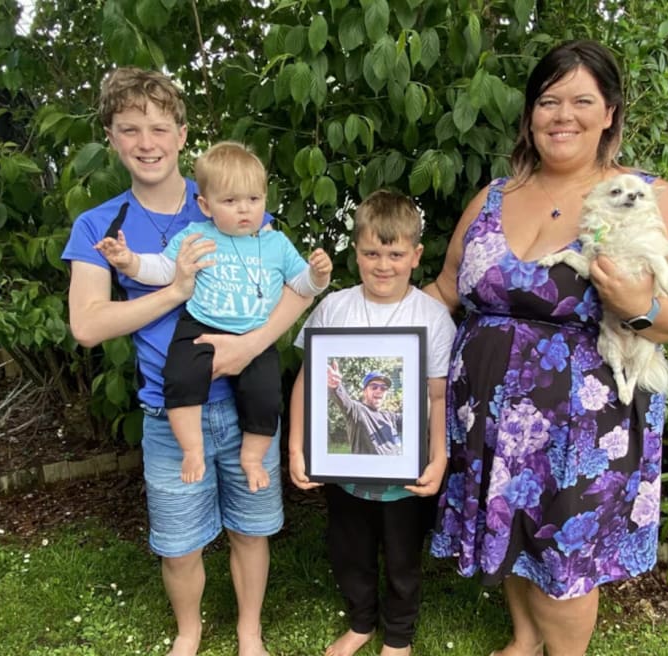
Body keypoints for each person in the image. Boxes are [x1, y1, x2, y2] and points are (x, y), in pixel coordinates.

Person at [423, 40, 668, 656]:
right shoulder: (493, 197)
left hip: (584, 425)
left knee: (565, 563)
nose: (563, 115)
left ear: (609, 112)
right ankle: (524, 640)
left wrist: (642, 306)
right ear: (530, 114)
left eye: (582, 100)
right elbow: (446, 289)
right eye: (549, 100)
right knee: (513, 532)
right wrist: (364, 330)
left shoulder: (645, 196)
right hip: (492, 416)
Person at [62, 67, 311, 656]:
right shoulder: (101, 225)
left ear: (181, 133)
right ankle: (189, 632)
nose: (146, 142)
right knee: (179, 545)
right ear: (111, 137)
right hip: (171, 416)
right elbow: (88, 325)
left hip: (246, 403)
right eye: (129, 129)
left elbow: (293, 289)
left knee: (251, 532)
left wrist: (249, 347)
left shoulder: (231, 202)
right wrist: (174, 292)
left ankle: (250, 631)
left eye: (158, 127)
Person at [94, 141, 332, 493]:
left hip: (255, 330)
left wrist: (319, 275)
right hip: (201, 323)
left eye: (253, 200)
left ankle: (252, 458)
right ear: (205, 206)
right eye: (230, 201)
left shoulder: (276, 244)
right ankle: (192, 450)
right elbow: (161, 270)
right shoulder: (195, 237)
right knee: (179, 376)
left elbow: (302, 285)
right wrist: (128, 262)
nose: (244, 210)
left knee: (265, 396)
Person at [288, 190, 457, 656]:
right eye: (371, 253)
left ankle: (398, 637)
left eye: (396, 254)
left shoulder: (433, 317)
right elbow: (309, 381)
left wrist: (439, 456)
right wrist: (297, 447)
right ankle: (361, 623)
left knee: (403, 561)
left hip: (406, 481)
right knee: (350, 554)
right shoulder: (334, 308)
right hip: (345, 480)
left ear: (416, 256)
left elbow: (439, 394)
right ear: (355, 253)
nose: (384, 265)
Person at [327, 366, 402, 455]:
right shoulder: (358, 411)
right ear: (365, 391)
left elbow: (414, 418)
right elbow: (345, 402)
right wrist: (336, 387)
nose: (379, 390)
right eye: (374, 387)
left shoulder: (390, 417)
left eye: (383, 388)